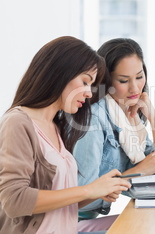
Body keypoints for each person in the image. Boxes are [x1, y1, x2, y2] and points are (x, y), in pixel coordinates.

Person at [0, 36, 132, 234]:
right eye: (86, 82)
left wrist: (99, 190)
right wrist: (88, 190)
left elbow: (61, 206)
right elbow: (14, 200)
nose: (89, 93)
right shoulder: (18, 122)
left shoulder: (57, 127)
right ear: (60, 72)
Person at [73, 38, 155, 221]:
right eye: (123, 80)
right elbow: (83, 196)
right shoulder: (94, 120)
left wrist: (154, 119)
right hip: (72, 221)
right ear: (106, 81)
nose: (135, 88)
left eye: (139, 76)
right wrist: (139, 171)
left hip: (89, 219)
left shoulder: (128, 114)